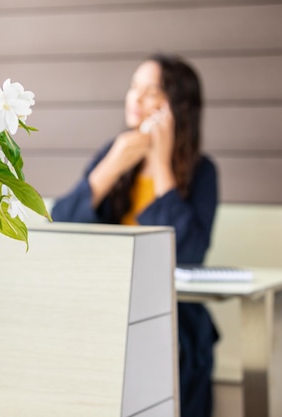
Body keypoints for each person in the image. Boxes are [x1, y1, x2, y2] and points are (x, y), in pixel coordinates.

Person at [51, 54, 219, 417]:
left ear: (177, 105)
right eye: (133, 88)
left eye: (150, 91)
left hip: (173, 318)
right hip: (106, 306)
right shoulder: (114, 155)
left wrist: (160, 164)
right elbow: (60, 225)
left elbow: (188, 251)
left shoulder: (202, 172)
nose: (135, 98)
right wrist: (112, 164)